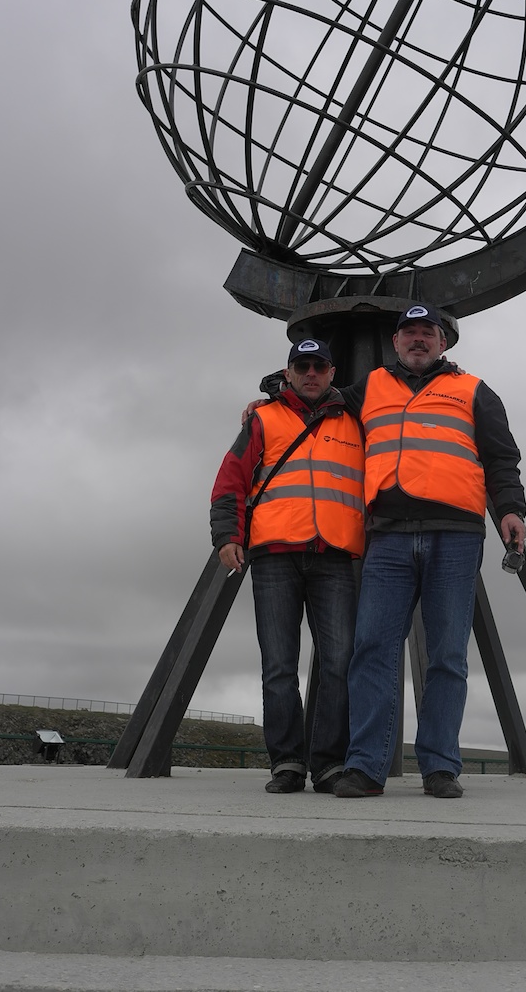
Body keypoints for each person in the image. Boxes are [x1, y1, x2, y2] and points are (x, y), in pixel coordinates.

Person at [332, 303, 526, 799]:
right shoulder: (369, 387)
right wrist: (269, 393)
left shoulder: (474, 390)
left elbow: (501, 457)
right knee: (372, 649)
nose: (418, 339)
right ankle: (366, 767)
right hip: (388, 535)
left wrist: (510, 509)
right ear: (395, 342)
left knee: (446, 654)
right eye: (409, 333)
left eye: (427, 333)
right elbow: (314, 400)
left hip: (455, 534)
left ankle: (440, 767)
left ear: (443, 343)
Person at [211, 338, 364, 794]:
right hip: (274, 556)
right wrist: (227, 536)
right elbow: (230, 480)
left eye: (319, 366)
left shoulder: (356, 420)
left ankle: (330, 764)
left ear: (332, 372)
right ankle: (288, 764)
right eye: (303, 366)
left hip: (334, 554)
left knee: (339, 662)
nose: (310, 373)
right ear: (289, 372)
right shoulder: (263, 418)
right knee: (279, 665)